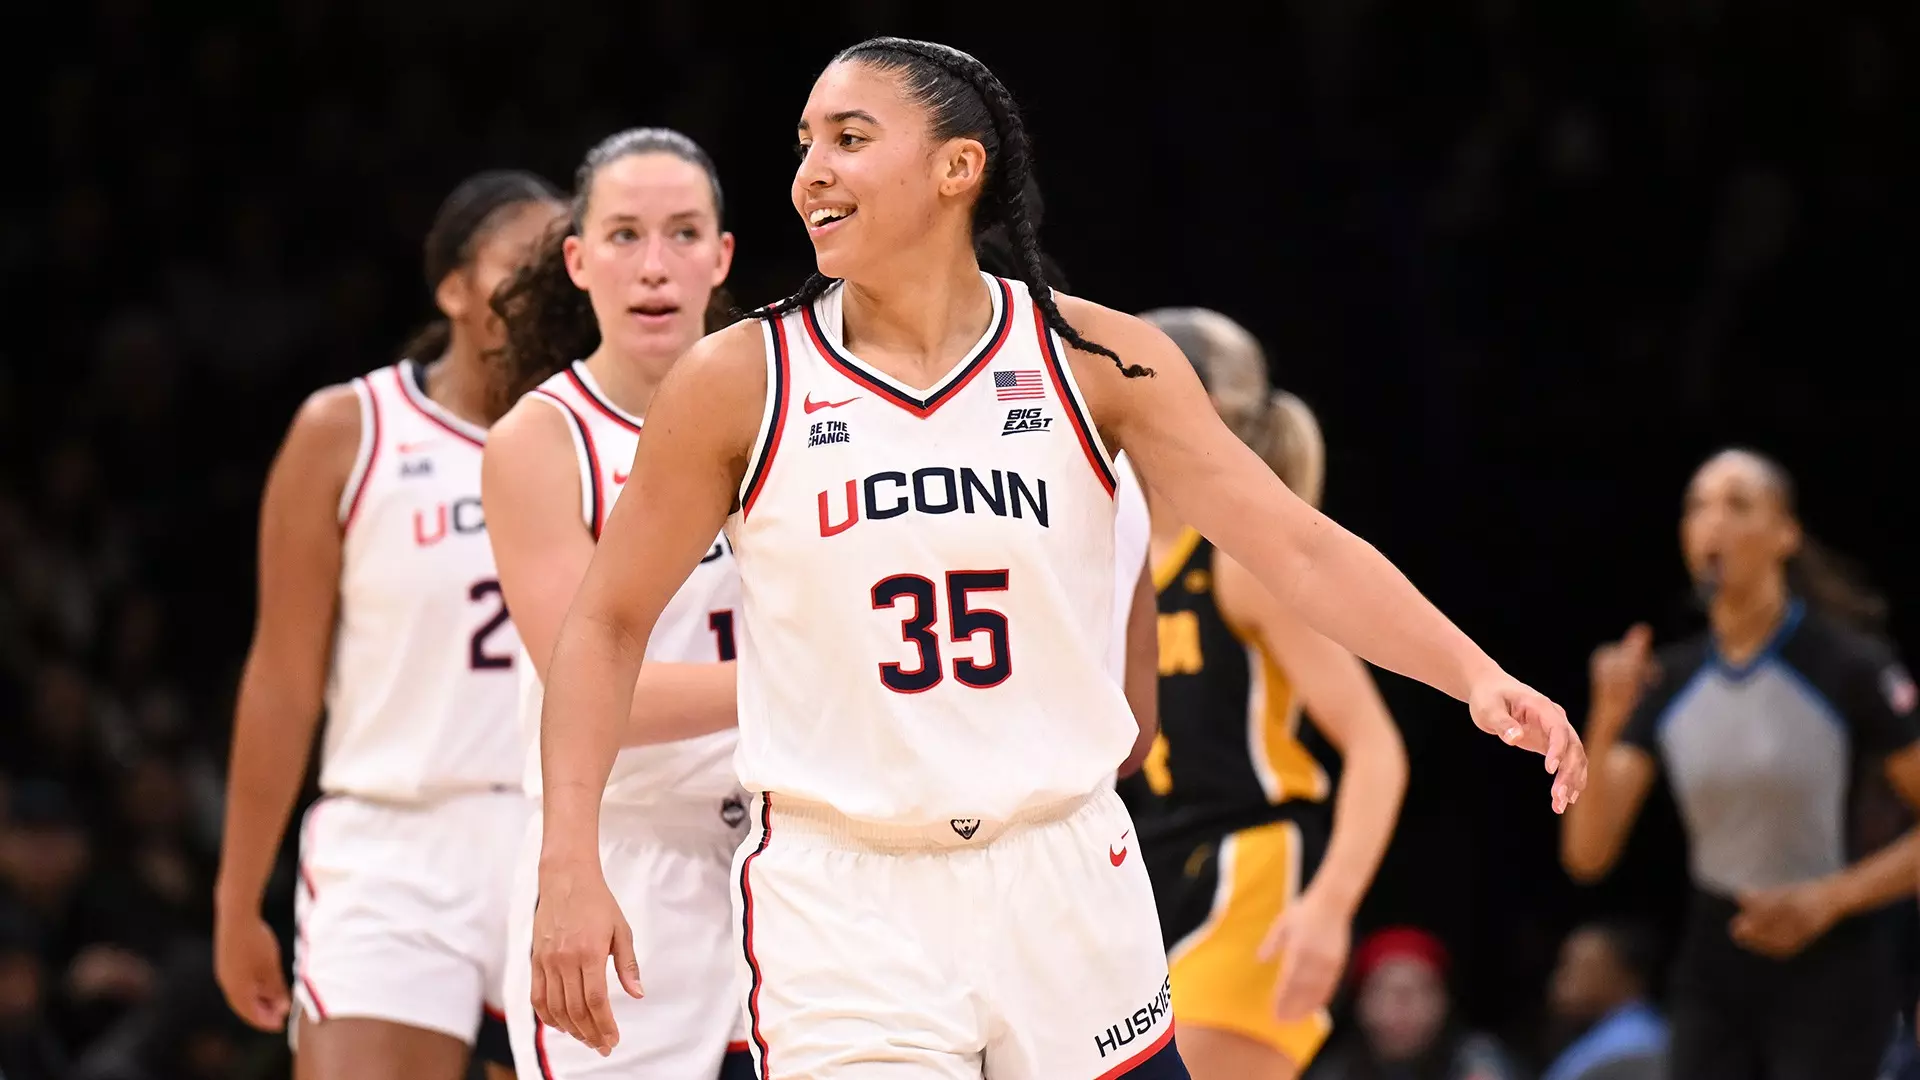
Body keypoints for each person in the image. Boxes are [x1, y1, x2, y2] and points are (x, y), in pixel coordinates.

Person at [529, 37, 1584, 1080]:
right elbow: (605, 623)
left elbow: (1297, 546)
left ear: (958, 168)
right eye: (806, 143)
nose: (812, 173)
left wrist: (1474, 674)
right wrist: (566, 860)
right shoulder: (739, 377)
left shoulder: (1097, 359)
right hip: (845, 894)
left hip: (1066, 869)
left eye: (851, 139)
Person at [212, 171, 563, 1080]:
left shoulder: (617, 438)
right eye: (519, 264)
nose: (546, 286)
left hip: (570, 839)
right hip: (397, 843)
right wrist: (237, 892)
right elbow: (283, 681)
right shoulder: (349, 430)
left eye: (562, 264)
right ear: (452, 287)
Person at [481, 128, 755, 1080]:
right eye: (626, 235)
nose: (655, 266)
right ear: (578, 259)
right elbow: (593, 693)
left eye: (683, 234)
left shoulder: (793, 409)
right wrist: (803, 681)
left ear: (722, 257)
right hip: (627, 862)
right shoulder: (541, 439)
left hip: (798, 858)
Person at [1561, 447, 1920, 1080]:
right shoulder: (1667, 679)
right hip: (1714, 959)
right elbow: (1588, 855)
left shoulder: (1849, 667)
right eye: (1697, 506)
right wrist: (1605, 717)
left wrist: (1831, 900)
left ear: (1786, 533)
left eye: (1738, 504)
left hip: (1833, 955)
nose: (1713, 523)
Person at [1127, 308, 1408, 1080]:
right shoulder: (1110, 563)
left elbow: (1376, 747)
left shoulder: (1238, 564)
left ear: (1194, 403)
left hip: (1254, 868)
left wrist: (1330, 906)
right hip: (1150, 869)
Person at [1307, 927, 1523, 1080]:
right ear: (1361, 1004)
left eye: (1421, 990)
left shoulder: (1477, 1061)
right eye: (1387, 992)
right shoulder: (1335, 1072)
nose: (1403, 1009)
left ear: (1444, 1002)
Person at [1541, 921, 1667, 1080]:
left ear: (1624, 974)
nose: (1560, 979)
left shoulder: (1634, 1046)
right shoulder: (1602, 1031)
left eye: (1576, 966)